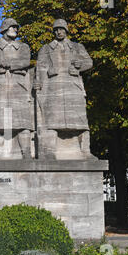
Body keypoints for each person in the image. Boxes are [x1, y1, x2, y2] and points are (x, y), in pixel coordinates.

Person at [34, 19, 95, 159]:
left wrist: (80, 65)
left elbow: (89, 62)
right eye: (56, 29)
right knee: (52, 120)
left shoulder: (77, 47)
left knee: (79, 120)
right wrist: (39, 83)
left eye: (61, 29)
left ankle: (85, 151)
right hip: (53, 88)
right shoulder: (46, 48)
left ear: (66, 30)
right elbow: (40, 68)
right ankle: (50, 152)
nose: (58, 32)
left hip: (73, 87)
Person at [0, 18, 34, 159]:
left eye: (16, 28)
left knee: (22, 120)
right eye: (12, 27)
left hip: (18, 85)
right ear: (4, 28)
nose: (15, 30)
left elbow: (26, 61)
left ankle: (26, 152)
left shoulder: (24, 47)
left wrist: (9, 63)